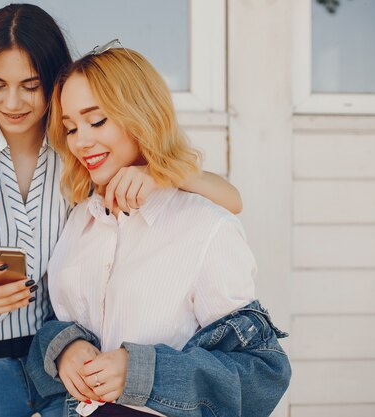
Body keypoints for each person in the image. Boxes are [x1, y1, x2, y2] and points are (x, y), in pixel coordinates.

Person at [0, 5, 244, 417]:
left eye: (30, 85)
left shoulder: (77, 151)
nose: (12, 102)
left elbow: (229, 200)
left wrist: (159, 173)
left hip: (67, 365)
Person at [26, 44, 291, 417]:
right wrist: (66, 347)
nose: (81, 141)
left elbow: (261, 376)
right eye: (70, 128)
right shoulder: (79, 220)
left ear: (141, 116)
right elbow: (61, 320)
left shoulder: (206, 227)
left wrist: (141, 373)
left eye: (97, 121)